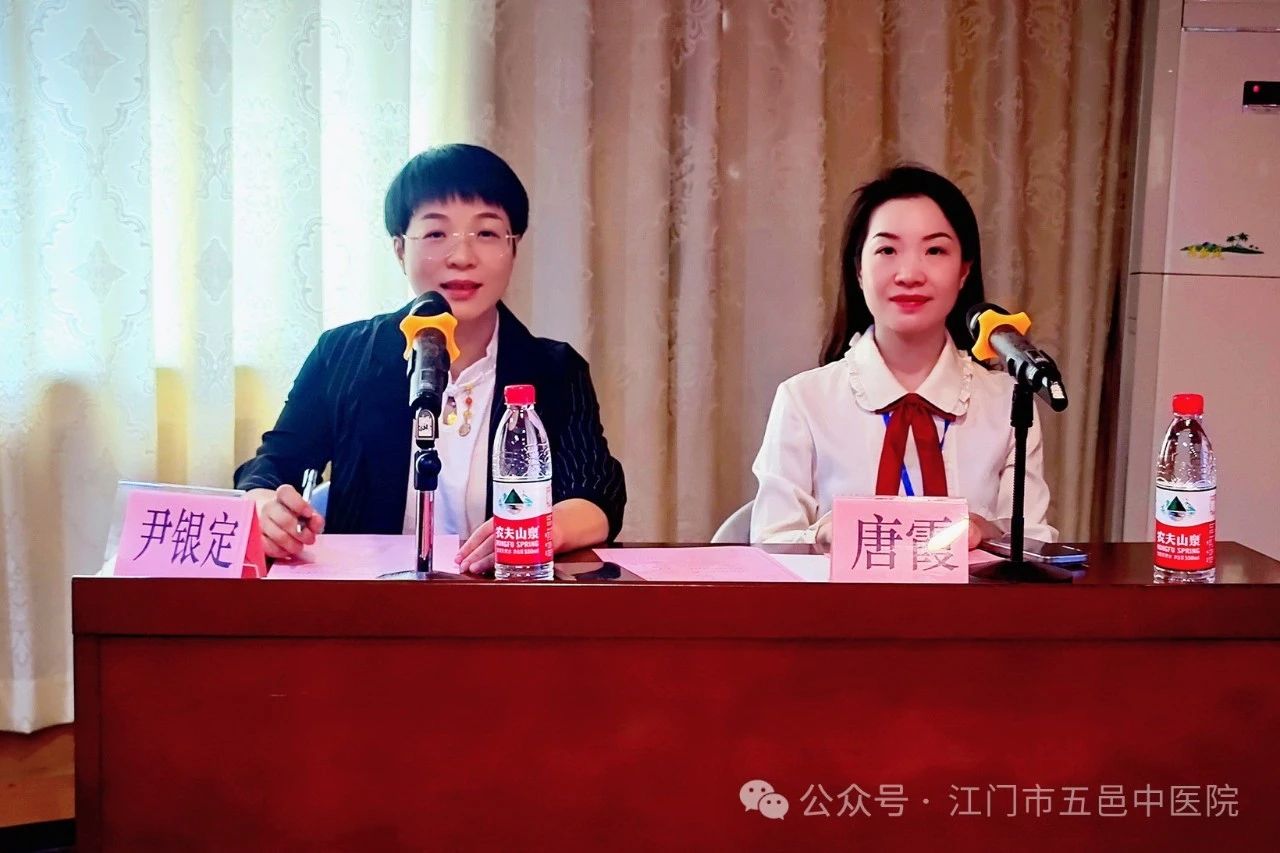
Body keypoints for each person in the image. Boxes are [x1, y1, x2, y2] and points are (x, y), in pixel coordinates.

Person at [235, 144, 626, 572]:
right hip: (368, 598)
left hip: (505, 595)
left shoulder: (554, 368)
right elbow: (271, 468)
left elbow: (597, 494)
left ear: (514, 248)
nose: (462, 257)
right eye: (437, 234)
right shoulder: (342, 354)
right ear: (400, 249)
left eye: (487, 233)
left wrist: (544, 528)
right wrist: (265, 507)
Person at [749, 164, 1056, 548]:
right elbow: (770, 543)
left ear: (964, 271)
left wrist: (986, 529)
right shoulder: (804, 400)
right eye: (887, 250)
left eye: (935, 250)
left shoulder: (1007, 401)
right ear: (859, 270)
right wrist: (824, 535)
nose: (909, 274)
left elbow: (1034, 543)